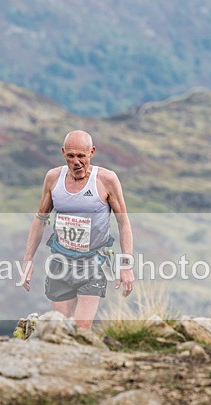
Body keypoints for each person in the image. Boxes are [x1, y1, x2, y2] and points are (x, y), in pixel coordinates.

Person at [20, 130, 134, 330]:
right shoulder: (53, 178)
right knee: (58, 328)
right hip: (60, 262)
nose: (76, 162)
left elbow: (123, 222)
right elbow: (40, 219)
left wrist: (126, 265)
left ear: (92, 152)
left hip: (93, 262)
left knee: (81, 327)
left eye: (81, 156)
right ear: (63, 153)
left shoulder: (106, 180)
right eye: (71, 156)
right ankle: (35, 330)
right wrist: (27, 260)